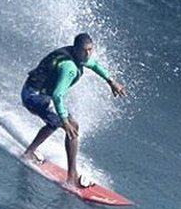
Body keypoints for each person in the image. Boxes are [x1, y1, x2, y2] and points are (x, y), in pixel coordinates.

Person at [19, 32, 124, 187]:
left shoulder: (78, 55)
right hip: (33, 97)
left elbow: (94, 65)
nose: (88, 54)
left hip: (33, 92)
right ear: (76, 49)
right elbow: (57, 95)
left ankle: (28, 153)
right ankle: (71, 177)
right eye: (84, 50)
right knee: (72, 127)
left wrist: (110, 81)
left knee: (53, 123)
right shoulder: (69, 67)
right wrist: (65, 120)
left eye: (90, 49)